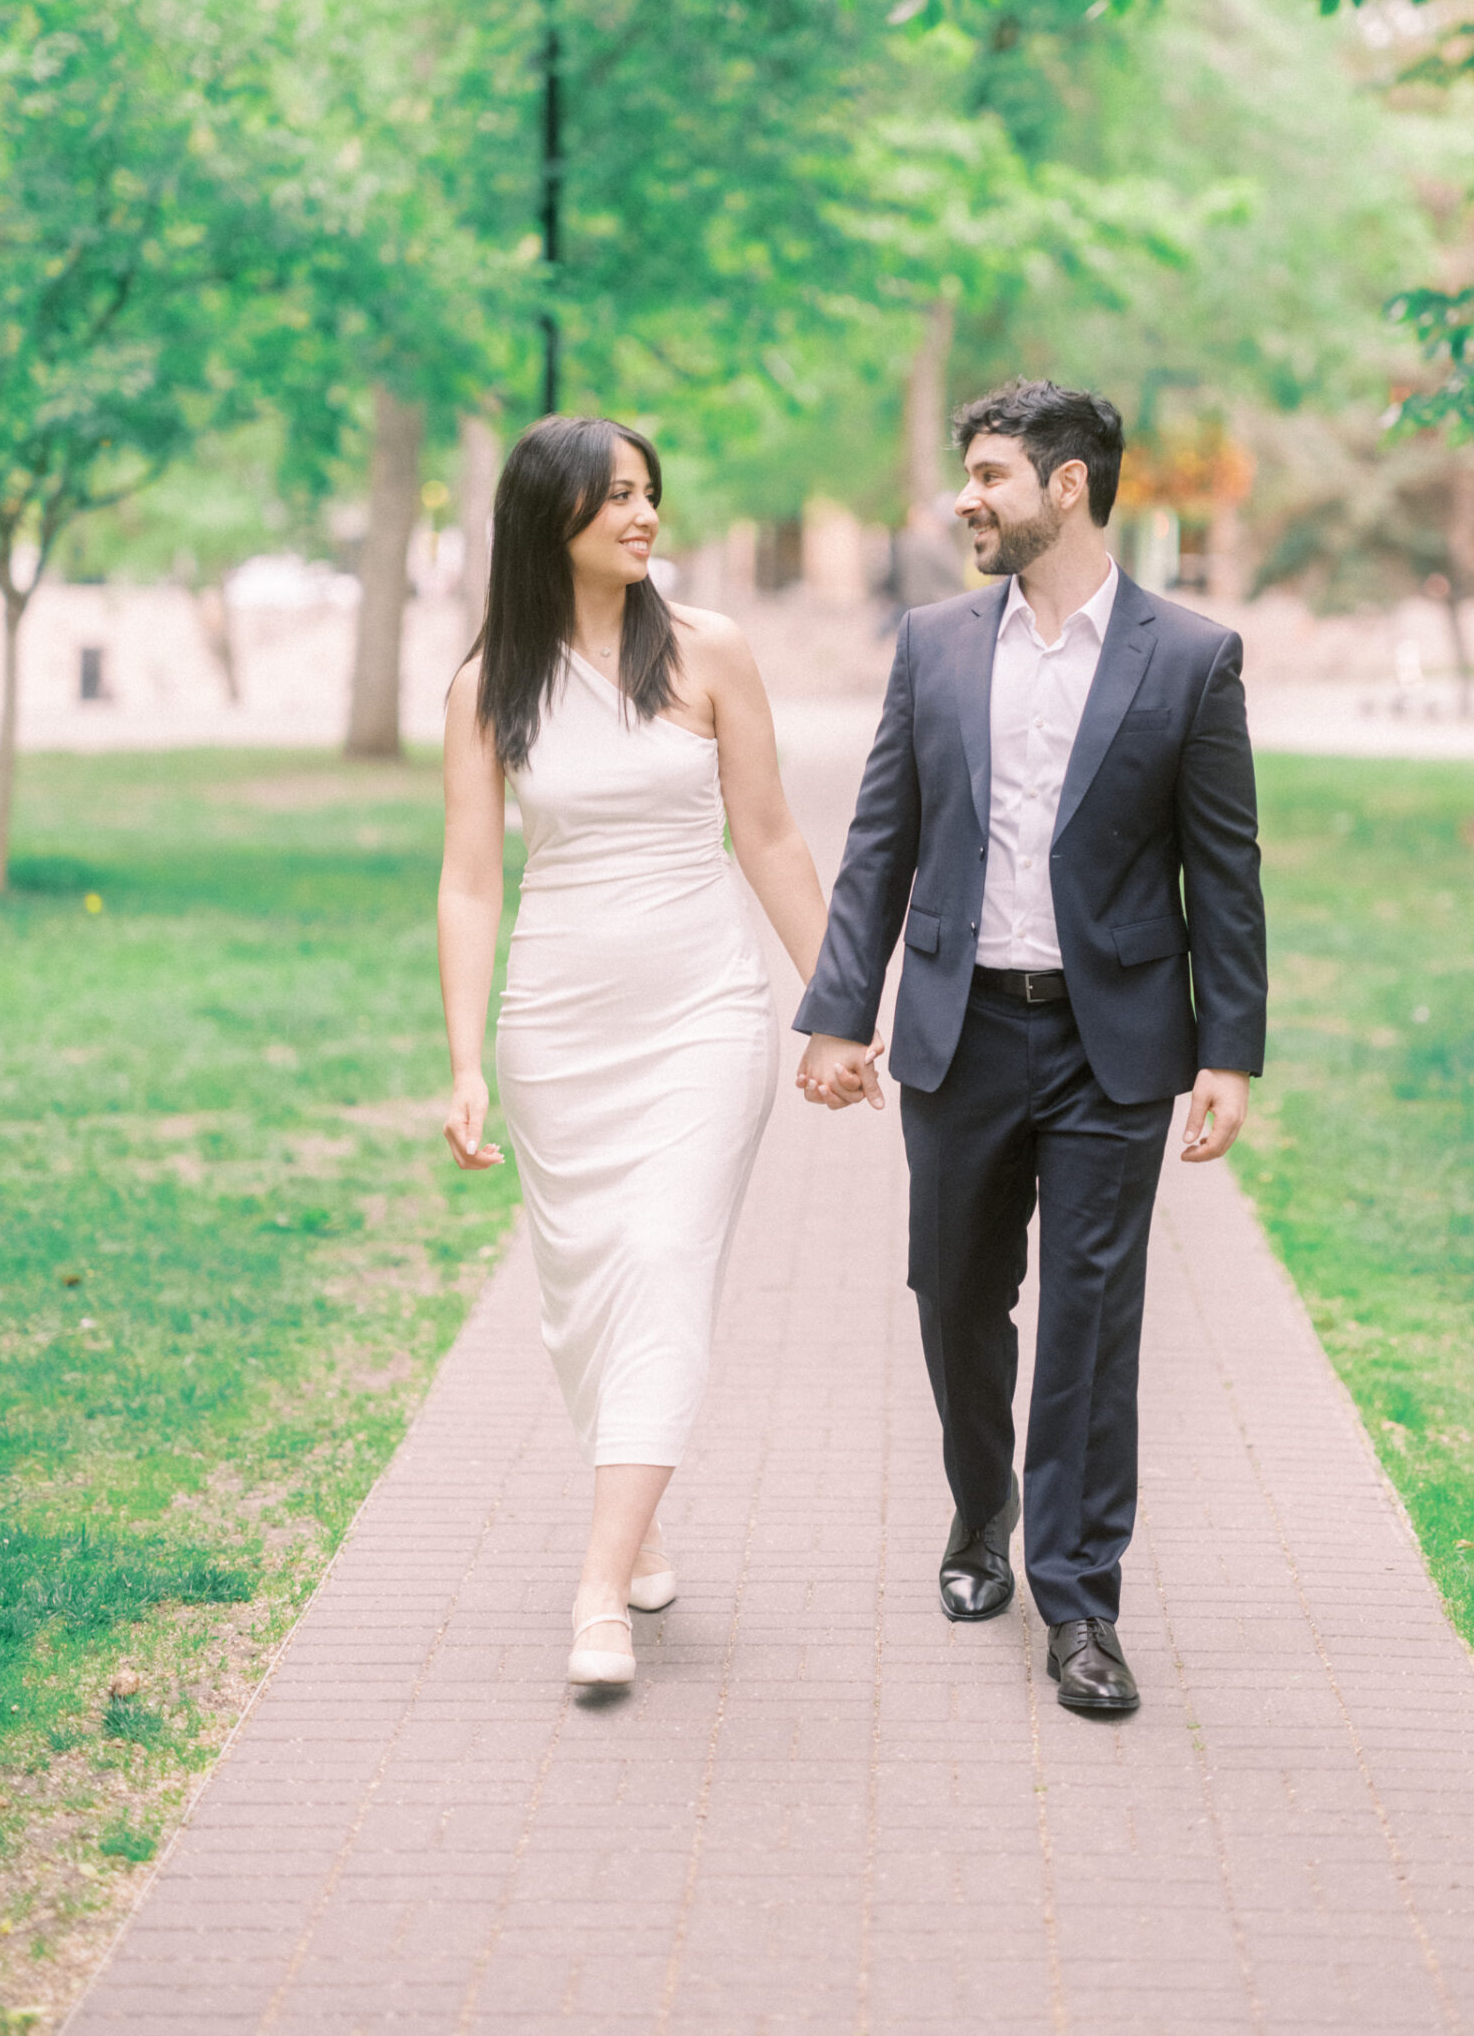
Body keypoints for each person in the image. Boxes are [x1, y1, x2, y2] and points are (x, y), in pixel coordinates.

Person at [796, 381, 1267, 1717]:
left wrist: (1229, 1049)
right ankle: (979, 1504)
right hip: (962, 1029)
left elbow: (1222, 875)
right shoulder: (937, 644)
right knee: (953, 1297)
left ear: (1068, 486)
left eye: (993, 475)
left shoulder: (1191, 658)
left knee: (1090, 1324)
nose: (968, 499)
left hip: (1113, 1048)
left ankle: (1080, 1603)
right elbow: (881, 839)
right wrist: (842, 1010)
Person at [438, 416, 837, 1690]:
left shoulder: (712, 651)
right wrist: (462, 1059)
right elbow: (466, 881)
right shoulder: (490, 680)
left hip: (703, 1014)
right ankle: (640, 1514)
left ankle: (598, 1588)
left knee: (663, 1259)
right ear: (545, 514)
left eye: (649, 493)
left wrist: (837, 999)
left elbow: (769, 836)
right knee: (585, 1296)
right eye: (614, 497)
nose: (642, 516)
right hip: (556, 1030)